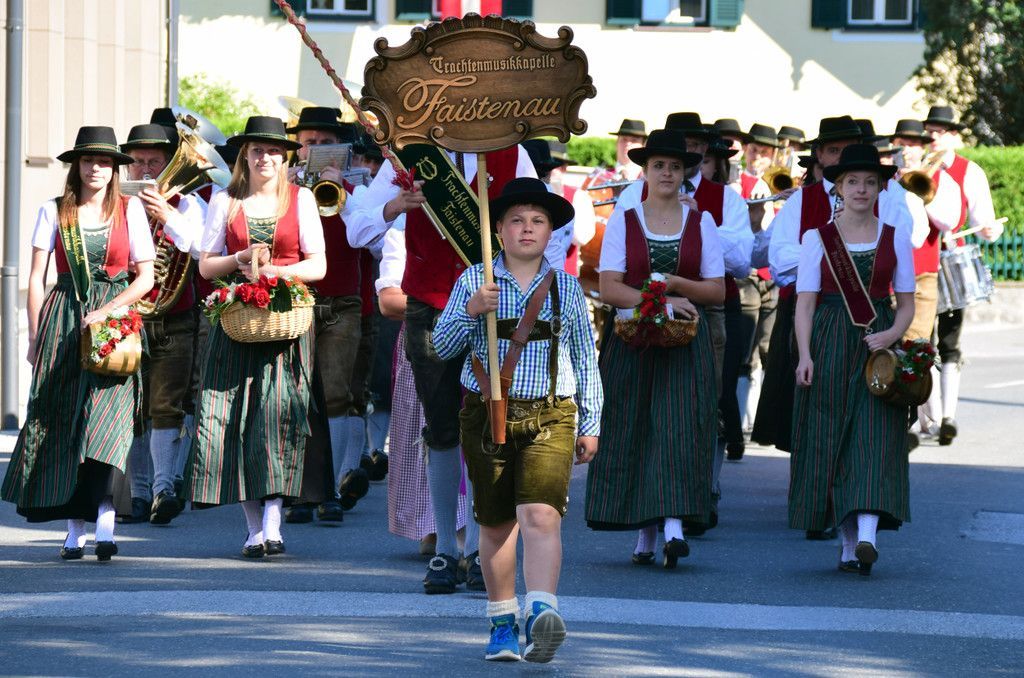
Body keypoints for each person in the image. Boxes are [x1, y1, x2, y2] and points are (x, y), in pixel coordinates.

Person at [344, 135, 535, 594]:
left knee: (488, 424)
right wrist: (397, 205)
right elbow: (357, 229)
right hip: (430, 305)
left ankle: (480, 547)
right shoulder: (409, 155)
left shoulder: (510, 150)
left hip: (494, 302)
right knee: (442, 426)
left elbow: (543, 227)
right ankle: (447, 548)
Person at [433, 177, 601, 663]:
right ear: (499, 231)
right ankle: (502, 622)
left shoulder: (566, 288)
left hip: (551, 413)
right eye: (517, 220)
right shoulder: (474, 280)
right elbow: (441, 347)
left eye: (538, 221)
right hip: (486, 415)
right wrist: (471, 311)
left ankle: (542, 613)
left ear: (550, 232)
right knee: (496, 524)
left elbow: (585, 358)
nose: (527, 228)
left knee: (541, 514)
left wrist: (591, 421)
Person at [1, 126, 156, 561]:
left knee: (108, 422)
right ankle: (74, 528)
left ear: (114, 169)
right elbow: (37, 278)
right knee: (64, 419)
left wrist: (109, 310)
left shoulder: (130, 211)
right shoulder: (53, 211)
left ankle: (106, 516)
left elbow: (145, 276)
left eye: (104, 162)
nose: (96, 169)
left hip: (114, 323)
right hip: (65, 319)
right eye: (89, 160)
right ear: (77, 166)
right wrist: (35, 335)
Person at [186, 115, 327, 558]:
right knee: (235, 421)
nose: (265, 157)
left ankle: (273, 521)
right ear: (245, 157)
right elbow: (206, 266)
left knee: (278, 418)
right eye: (257, 150)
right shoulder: (225, 201)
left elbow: (318, 265)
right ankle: (252, 528)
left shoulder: (302, 199)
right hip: (237, 321)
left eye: (273, 151)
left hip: (286, 323)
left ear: (284, 158)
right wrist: (241, 258)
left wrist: (274, 273)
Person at [585, 129, 725, 566]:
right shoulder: (624, 219)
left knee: (679, 429)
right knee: (635, 428)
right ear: (645, 171)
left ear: (685, 173)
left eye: (675, 166)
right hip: (633, 340)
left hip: (686, 343)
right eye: (659, 165)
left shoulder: (702, 223)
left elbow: (717, 290)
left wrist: (677, 283)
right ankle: (645, 532)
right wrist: (661, 300)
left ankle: (674, 526)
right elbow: (610, 287)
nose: (667, 173)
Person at [790, 144, 916, 576]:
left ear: (880, 188)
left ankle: (867, 535)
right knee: (831, 438)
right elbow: (805, 305)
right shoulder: (816, 238)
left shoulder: (895, 236)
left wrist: (892, 335)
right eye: (853, 182)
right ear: (839, 188)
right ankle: (848, 544)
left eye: (869, 182)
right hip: (828, 340)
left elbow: (906, 304)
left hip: (877, 348)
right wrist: (804, 355)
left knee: (874, 436)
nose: (861, 189)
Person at [119, 123, 207, 526]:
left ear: (170, 163)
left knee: (166, 405)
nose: (145, 169)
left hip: (175, 318)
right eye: (137, 161)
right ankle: (138, 494)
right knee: (134, 409)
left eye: (154, 161)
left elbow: (202, 249)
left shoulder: (188, 203)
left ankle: (162, 489)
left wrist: (167, 215)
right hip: (129, 318)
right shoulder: (117, 203)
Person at [283, 106, 363, 524]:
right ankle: (299, 487)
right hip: (294, 299)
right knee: (295, 395)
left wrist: (342, 191)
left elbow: (368, 240)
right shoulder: (282, 187)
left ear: (342, 149)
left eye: (326, 144)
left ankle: (330, 487)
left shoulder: (358, 186)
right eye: (309, 143)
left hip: (341, 302)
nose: (315, 150)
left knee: (335, 394)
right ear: (297, 148)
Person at [922, 105, 1003, 446]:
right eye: (929, 131)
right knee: (920, 342)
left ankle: (948, 416)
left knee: (950, 340)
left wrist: (989, 230)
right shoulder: (914, 166)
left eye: (939, 132)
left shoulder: (970, 171)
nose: (933, 137)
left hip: (951, 260)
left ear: (953, 136)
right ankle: (927, 417)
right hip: (918, 261)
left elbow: (986, 221)